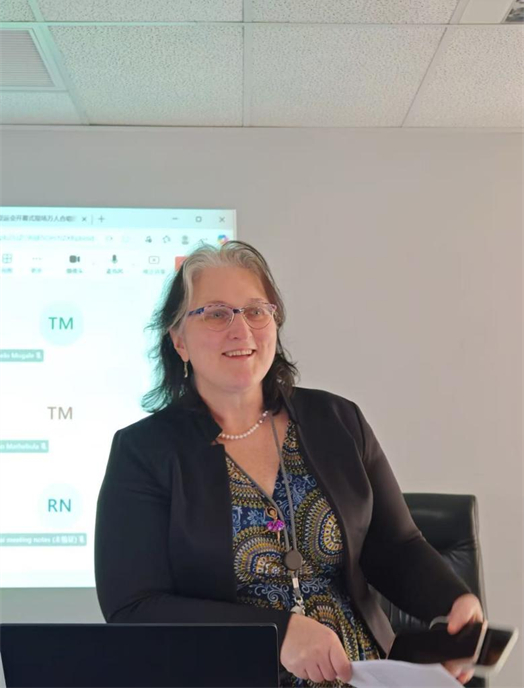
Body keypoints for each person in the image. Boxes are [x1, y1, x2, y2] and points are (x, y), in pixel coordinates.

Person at [95, 240, 483, 687]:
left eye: (255, 311)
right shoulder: (143, 452)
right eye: (217, 314)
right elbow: (134, 607)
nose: (241, 330)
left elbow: (396, 547)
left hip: (364, 674)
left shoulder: (337, 420)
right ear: (179, 340)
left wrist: (452, 601)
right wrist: (277, 632)